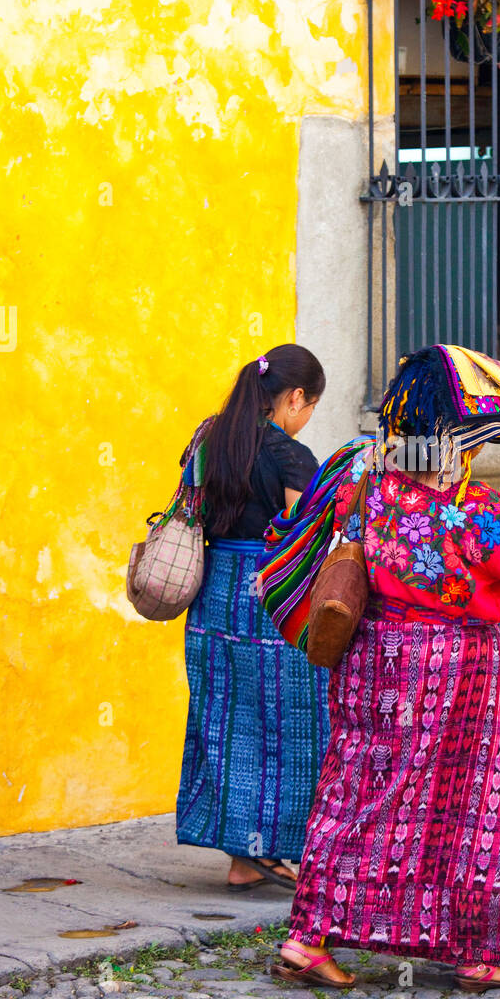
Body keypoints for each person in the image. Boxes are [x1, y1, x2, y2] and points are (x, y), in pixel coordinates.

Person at [271, 343, 500, 990]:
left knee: (355, 793)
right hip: (458, 675)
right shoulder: (475, 510)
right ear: (460, 430)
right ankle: (479, 952)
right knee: (467, 807)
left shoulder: (366, 485)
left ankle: (308, 939)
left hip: (372, 661)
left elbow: (301, 525)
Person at [176, 345, 330, 890]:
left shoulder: (207, 438)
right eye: (309, 405)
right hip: (270, 599)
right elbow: (302, 537)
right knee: (292, 725)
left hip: (211, 597)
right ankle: (270, 850)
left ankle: (243, 858)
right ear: (293, 398)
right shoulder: (290, 456)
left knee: (224, 721)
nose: (307, 417)